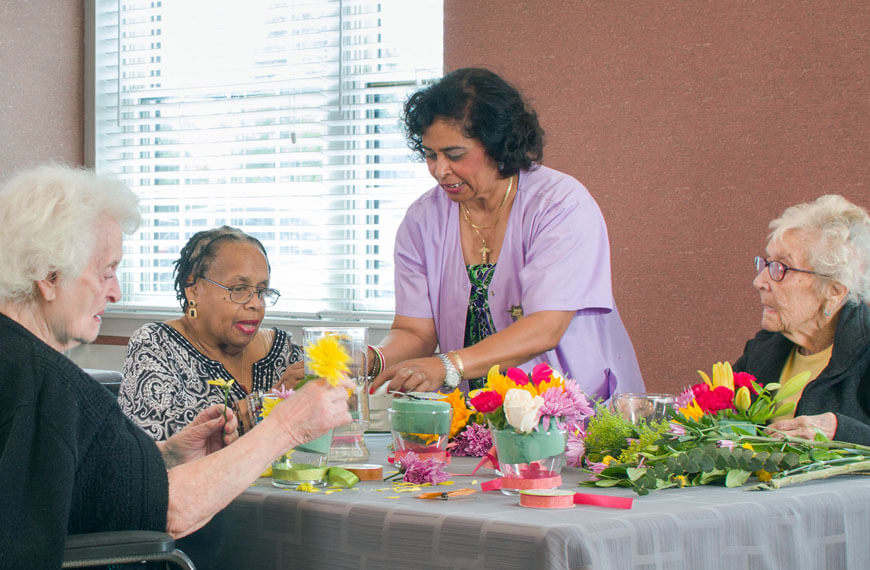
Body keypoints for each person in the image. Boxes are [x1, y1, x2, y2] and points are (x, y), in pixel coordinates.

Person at [0, 165, 350, 567]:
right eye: (106, 272)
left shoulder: (24, 368)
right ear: (49, 276)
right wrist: (288, 425)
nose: (115, 292)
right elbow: (170, 513)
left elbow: (76, 485)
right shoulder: (47, 386)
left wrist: (163, 457)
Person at [369, 67, 644, 400]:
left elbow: (545, 327)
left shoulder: (560, 205)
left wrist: (448, 365)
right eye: (430, 155)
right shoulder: (421, 220)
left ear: (497, 145)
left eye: (455, 155)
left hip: (574, 410)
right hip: (475, 416)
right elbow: (415, 331)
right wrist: (369, 360)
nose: (439, 170)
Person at [119, 226, 304, 439]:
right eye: (238, 289)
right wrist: (266, 405)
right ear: (193, 288)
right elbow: (153, 442)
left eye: (261, 291)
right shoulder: (156, 343)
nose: (255, 304)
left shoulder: (282, 350)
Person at [733, 194, 870, 445]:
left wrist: (841, 433)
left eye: (781, 269)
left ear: (833, 290)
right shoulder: (763, 350)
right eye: (766, 264)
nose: (760, 281)